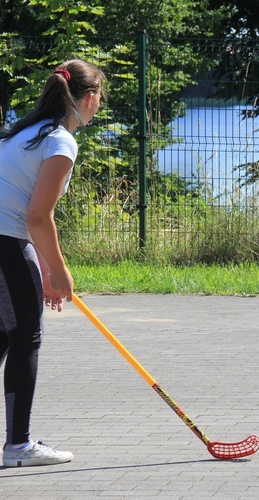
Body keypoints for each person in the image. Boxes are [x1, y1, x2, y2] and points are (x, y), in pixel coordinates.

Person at [0, 59, 105, 466]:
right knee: (25, 334)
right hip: (6, 244)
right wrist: (60, 271)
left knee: (5, 334)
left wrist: (45, 270)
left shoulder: (24, 132)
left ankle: (18, 443)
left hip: (8, 241)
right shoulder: (61, 141)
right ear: (89, 98)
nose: (97, 108)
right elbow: (37, 217)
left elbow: (35, 211)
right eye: (98, 101)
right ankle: (19, 447)